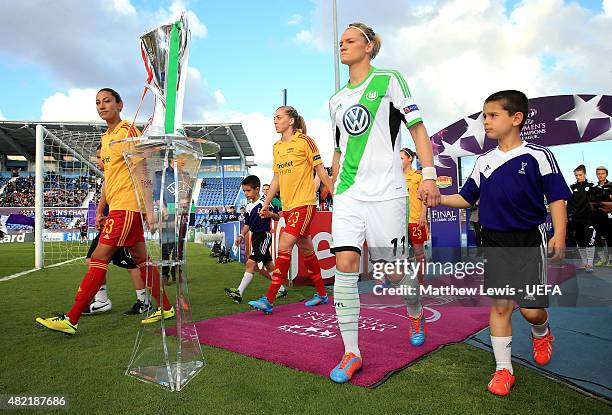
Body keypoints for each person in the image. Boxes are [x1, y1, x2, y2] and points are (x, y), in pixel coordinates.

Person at [326, 22, 441, 383]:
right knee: (344, 265)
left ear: (370, 46)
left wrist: (429, 174)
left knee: (394, 274)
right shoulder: (335, 101)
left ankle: (415, 309)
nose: (342, 45)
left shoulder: (389, 80)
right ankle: (351, 353)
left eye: (350, 40)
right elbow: (338, 151)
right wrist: (330, 185)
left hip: (388, 194)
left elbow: (418, 129)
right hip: (348, 194)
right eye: (340, 41)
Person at [441, 90, 571, 396]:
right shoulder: (483, 160)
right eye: (484, 115)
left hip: (528, 240)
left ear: (516, 119)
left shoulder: (539, 155)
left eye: (492, 115)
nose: (485, 121)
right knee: (500, 307)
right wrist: (438, 199)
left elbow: (556, 197)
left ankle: (542, 331)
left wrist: (560, 234)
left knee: (530, 311)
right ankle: (503, 370)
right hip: (494, 241)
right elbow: (466, 197)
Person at [35, 88, 174, 335]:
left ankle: (71, 319)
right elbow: (109, 180)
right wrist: (100, 210)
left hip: (128, 208)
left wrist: (150, 210)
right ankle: (165, 307)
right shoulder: (106, 138)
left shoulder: (128, 130)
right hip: (118, 208)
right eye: (98, 102)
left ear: (120, 105)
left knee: (98, 259)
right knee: (141, 260)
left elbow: (142, 170)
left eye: (107, 101)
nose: (102, 106)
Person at [248, 106, 335, 314]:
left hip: (304, 204)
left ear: (291, 121)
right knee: (306, 249)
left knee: (285, 244)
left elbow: (321, 172)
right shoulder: (276, 147)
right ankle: (322, 293)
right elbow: (276, 179)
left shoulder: (305, 141)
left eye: (278, 117)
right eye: (274, 118)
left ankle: (269, 299)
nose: (275, 121)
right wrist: (266, 203)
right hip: (288, 207)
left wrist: (335, 194)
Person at [83, 145, 152, 316]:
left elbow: (144, 184)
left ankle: (144, 302)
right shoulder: (110, 174)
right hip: (112, 221)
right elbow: (105, 192)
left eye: (101, 157)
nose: (99, 161)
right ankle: (101, 300)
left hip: (124, 221)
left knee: (134, 264)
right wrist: (99, 212)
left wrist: (148, 212)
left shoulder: (126, 169)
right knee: (93, 259)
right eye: (98, 158)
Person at [224, 175, 287, 303]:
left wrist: (269, 214)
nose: (246, 194)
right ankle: (281, 289)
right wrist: (241, 235)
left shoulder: (265, 201)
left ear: (257, 189)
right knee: (269, 265)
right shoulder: (248, 207)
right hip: (256, 237)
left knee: (250, 263)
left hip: (264, 235)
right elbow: (247, 225)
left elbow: (276, 217)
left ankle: (239, 292)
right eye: (244, 191)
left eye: (248, 190)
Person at [400, 148, 429, 284]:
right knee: (400, 254)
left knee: (419, 253)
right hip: (399, 222)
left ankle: (420, 281)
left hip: (415, 220)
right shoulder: (394, 177)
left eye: (401, 158)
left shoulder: (418, 176)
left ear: (410, 158)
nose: (399, 161)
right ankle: (404, 281)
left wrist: (423, 215)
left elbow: (425, 198)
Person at [567, 165, 596, 272]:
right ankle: (584, 263)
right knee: (580, 241)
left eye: (580, 175)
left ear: (585, 174)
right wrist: (569, 215)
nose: (578, 177)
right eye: (576, 175)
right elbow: (569, 203)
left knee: (589, 241)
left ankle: (590, 264)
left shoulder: (592, 185)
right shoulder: (572, 187)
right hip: (576, 219)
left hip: (589, 218)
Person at [592, 166, 611, 266]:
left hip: (609, 216)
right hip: (597, 216)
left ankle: (611, 260)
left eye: (602, 173)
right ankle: (602, 259)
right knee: (597, 238)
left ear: (606, 174)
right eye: (598, 174)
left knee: (610, 238)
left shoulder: (611, 185)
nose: (600, 175)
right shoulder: (594, 187)